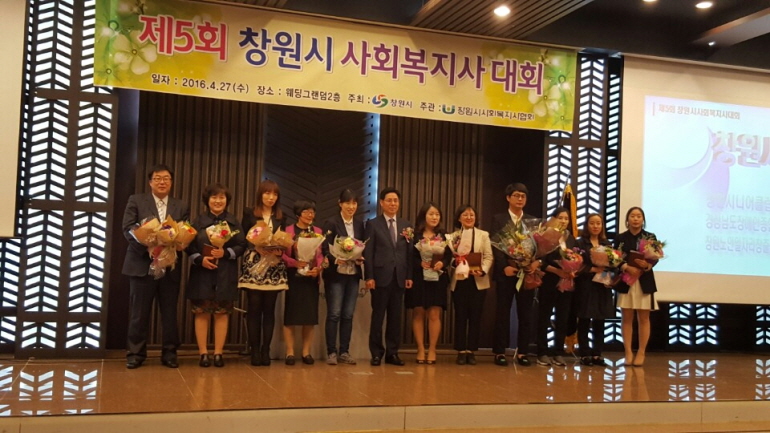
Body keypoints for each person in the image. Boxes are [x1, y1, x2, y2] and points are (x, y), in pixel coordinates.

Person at [122, 164, 190, 369]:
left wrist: (177, 244)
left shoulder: (181, 205)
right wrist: (148, 247)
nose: (162, 182)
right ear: (150, 182)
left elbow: (185, 230)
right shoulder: (136, 200)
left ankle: (169, 353)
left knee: (169, 312)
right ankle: (135, 353)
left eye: (166, 178)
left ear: (171, 182)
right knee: (139, 312)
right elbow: (128, 228)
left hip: (169, 266)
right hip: (142, 265)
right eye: (158, 178)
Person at [186, 183, 247, 368]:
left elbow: (242, 245)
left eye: (221, 197)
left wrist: (225, 253)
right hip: (202, 273)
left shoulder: (233, 222)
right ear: (207, 200)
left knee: (222, 313)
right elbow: (188, 245)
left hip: (225, 273)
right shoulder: (198, 221)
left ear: (227, 200)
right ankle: (203, 353)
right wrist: (200, 259)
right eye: (214, 197)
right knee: (201, 313)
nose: (218, 201)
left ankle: (218, 353)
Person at [490, 183, 541, 366]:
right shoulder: (499, 219)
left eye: (523, 196)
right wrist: (504, 266)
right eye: (516, 195)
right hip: (507, 273)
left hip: (527, 273)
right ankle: (499, 352)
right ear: (508, 198)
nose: (520, 199)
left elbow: (539, 247)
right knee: (502, 313)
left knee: (526, 314)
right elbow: (495, 245)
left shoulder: (532, 221)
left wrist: (535, 263)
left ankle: (523, 352)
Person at [238, 179, 287, 366]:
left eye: (274, 194)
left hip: (273, 266)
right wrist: (255, 246)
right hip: (254, 264)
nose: (271, 197)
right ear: (260, 194)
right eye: (267, 193)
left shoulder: (281, 216)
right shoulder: (249, 213)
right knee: (254, 309)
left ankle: (266, 350)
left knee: (269, 310)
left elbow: (283, 238)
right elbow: (243, 237)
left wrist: (280, 249)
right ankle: (255, 351)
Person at [364, 187, 413, 366]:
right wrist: (369, 276)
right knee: (378, 317)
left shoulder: (406, 225)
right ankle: (376, 353)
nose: (393, 204)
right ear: (382, 203)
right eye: (389, 200)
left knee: (395, 318)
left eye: (396, 200)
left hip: (399, 277)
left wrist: (409, 275)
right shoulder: (372, 224)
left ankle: (392, 353)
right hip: (380, 277)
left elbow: (409, 253)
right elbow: (368, 253)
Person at [322, 189, 365, 365]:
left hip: (353, 274)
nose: (351, 207)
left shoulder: (360, 224)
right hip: (336, 274)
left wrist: (360, 257)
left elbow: (362, 246)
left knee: (348, 314)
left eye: (354, 203)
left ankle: (344, 351)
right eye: (347, 203)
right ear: (340, 203)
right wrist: (335, 259)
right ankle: (331, 352)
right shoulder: (331, 222)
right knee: (334, 313)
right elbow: (324, 247)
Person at [614, 206, 659, 367]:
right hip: (626, 281)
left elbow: (655, 258)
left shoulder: (650, 237)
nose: (635, 219)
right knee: (626, 318)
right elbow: (615, 258)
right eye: (632, 216)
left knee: (644, 318)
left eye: (639, 216)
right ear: (627, 219)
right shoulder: (620, 238)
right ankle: (628, 352)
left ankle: (641, 352)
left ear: (643, 219)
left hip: (644, 281)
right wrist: (626, 267)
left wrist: (646, 265)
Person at [407, 202, 451, 365]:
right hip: (419, 277)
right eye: (431, 214)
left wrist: (442, 263)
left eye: (437, 214)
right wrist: (419, 263)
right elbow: (408, 256)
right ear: (423, 216)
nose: (434, 217)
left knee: (434, 313)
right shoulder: (414, 235)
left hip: (438, 278)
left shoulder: (445, 236)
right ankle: (420, 349)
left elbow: (449, 256)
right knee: (418, 312)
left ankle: (432, 349)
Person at [449, 204, 493, 366]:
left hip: (478, 281)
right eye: (465, 215)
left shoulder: (483, 235)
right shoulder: (452, 237)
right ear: (459, 218)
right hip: (460, 281)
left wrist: (483, 270)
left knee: (476, 317)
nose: (469, 218)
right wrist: (456, 262)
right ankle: (461, 351)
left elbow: (488, 256)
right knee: (460, 316)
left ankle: (472, 351)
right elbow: (449, 259)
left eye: (472, 215)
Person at [282, 200, 324, 365]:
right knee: (291, 316)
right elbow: (282, 254)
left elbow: (321, 254)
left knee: (309, 317)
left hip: (311, 278)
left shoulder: (318, 231)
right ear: (298, 214)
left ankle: (306, 352)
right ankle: (290, 352)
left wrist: (318, 268)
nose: (310, 215)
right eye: (306, 212)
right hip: (293, 277)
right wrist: (294, 263)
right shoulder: (289, 231)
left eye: (312, 212)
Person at [536, 207, 578, 367]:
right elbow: (541, 261)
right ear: (553, 219)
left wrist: (573, 270)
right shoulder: (546, 236)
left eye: (566, 219)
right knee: (544, 317)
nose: (564, 221)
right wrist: (557, 271)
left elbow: (577, 258)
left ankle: (558, 352)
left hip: (566, 284)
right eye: (560, 218)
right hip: (549, 282)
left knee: (563, 318)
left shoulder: (571, 238)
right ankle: (542, 352)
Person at [575, 213, 616, 367]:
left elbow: (613, 266)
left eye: (598, 223)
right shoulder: (580, 243)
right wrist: (592, 269)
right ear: (587, 225)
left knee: (600, 320)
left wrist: (608, 278)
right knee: (584, 320)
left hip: (601, 286)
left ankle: (597, 354)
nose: (595, 226)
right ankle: (585, 354)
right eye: (592, 223)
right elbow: (576, 264)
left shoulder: (607, 244)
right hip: (586, 285)